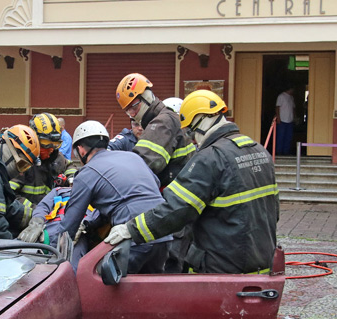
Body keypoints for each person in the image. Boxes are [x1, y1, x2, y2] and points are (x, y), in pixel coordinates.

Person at [105, 90, 279, 275]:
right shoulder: (259, 151)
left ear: (203, 119)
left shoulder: (210, 158)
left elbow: (175, 209)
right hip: (261, 264)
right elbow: (273, 211)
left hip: (221, 271)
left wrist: (131, 230)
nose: (193, 138)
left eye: (190, 130)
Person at [45, 120, 170, 273]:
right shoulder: (133, 157)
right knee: (149, 291)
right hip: (163, 232)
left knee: (103, 285)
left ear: (81, 150)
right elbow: (152, 185)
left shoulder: (87, 172)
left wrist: (49, 253)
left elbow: (69, 226)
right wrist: (89, 224)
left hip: (133, 236)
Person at [116, 73, 195, 187]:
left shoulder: (163, 122)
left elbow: (142, 163)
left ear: (147, 97)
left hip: (173, 195)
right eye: (128, 111)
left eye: (134, 107)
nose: (132, 114)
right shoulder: (164, 118)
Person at [10, 113, 70, 205]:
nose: (50, 150)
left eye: (54, 145)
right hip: (27, 217)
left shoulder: (55, 156)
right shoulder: (21, 162)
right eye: (46, 145)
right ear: (33, 138)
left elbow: (69, 166)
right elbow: (10, 196)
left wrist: (72, 179)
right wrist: (35, 211)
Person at [275, 86, 296, 155]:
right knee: (280, 136)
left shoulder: (291, 97)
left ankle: (286, 151)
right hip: (282, 120)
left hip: (290, 120)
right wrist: (278, 117)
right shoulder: (281, 96)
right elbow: (277, 107)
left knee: (288, 137)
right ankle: (279, 152)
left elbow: (293, 108)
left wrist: (294, 118)